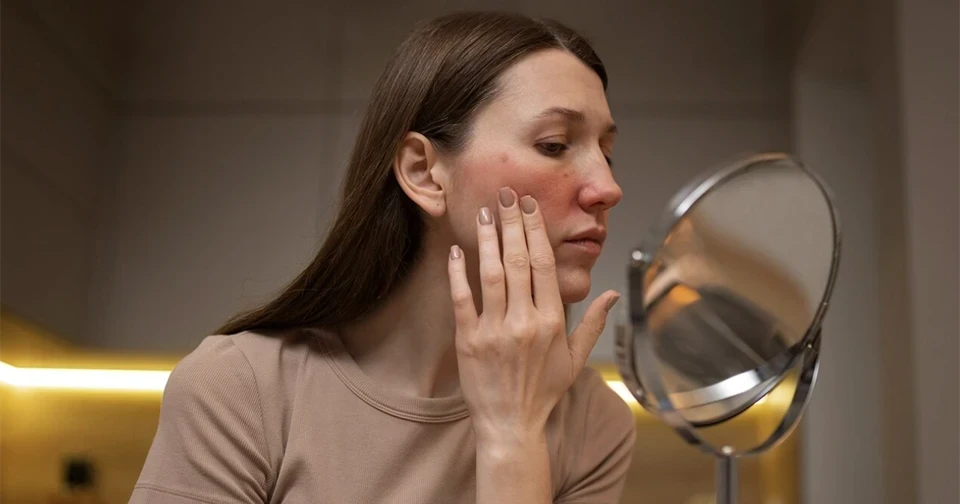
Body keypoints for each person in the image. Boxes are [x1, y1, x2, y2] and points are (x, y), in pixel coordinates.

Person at [130, 10, 636, 504]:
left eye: (607, 154)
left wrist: (514, 434)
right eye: (554, 145)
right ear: (423, 172)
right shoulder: (241, 390)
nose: (608, 188)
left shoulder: (592, 423)